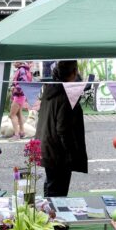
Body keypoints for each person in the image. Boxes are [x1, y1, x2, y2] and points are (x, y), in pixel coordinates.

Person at [36, 60, 87, 197]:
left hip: (48, 147)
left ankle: (48, 215)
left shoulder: (50, 90)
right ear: (74, 72)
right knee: (57, 194)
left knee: (51, 186)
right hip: (59, 153)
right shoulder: (65, 96)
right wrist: (71, 154)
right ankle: (53, 217)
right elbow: (63, 129)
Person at [8, 61, 32, 140]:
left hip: (19, 95)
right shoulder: (23, 69)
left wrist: (14, 88)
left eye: (14, 62)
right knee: (18, 114)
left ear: (20, 62)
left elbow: (23, 83)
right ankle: (22, 132)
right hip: (21, 95)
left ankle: (16, 134)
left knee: (12, 115)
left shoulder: (21, 70)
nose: (13, 63)